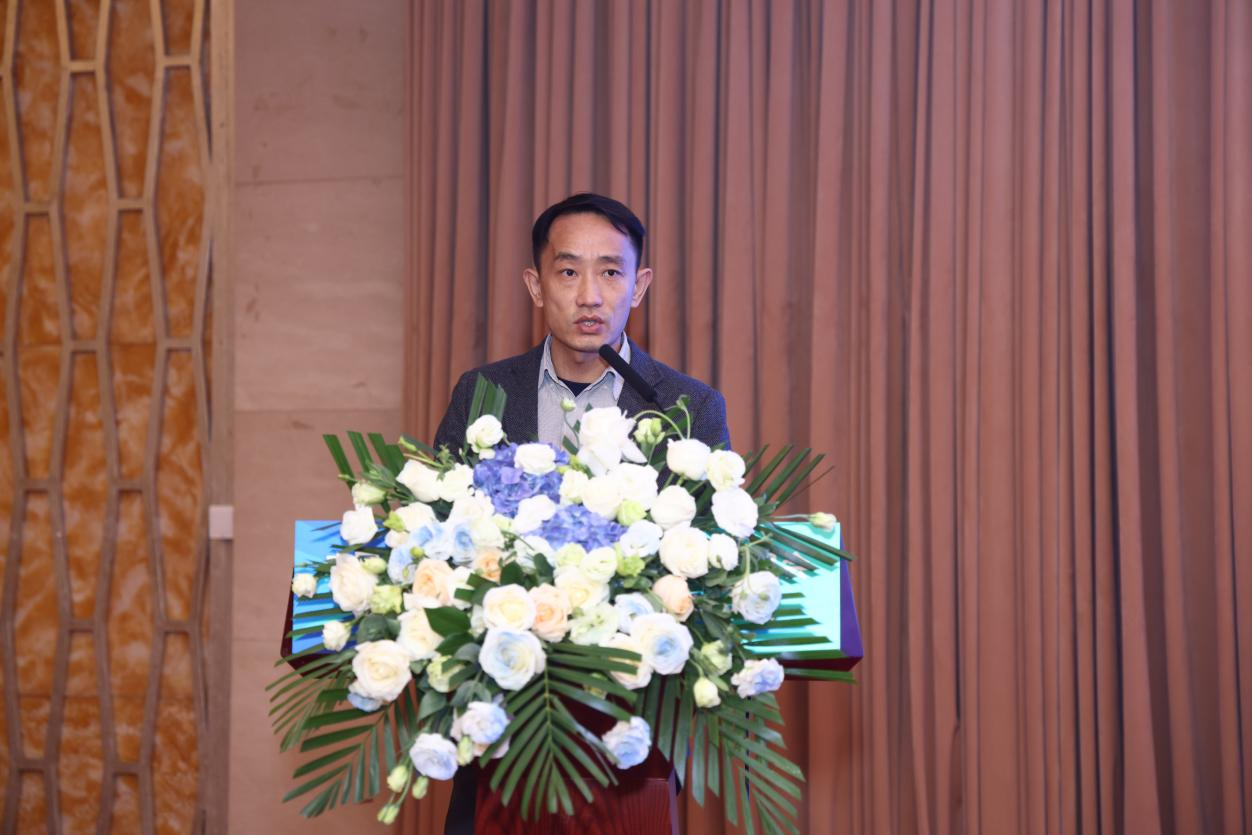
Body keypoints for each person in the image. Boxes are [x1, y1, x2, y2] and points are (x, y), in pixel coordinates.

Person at [434, 192, 730, 833]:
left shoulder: (688, 407)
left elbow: (709, 566)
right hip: (502, 723)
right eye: (568, 272)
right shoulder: (483, 392)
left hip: (631, 730)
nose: (590, 295)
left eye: (611, 272)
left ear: (639, 286)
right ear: (535, 285)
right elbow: (439, 532)